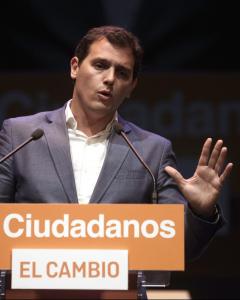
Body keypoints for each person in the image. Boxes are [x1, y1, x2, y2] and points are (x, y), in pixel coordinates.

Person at [0, 26, 233, 263]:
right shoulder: (22, 135)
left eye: (122, 73)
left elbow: (176, 249)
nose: (110, 78)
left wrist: (200, 211)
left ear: (132, 86)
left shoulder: (151, 151)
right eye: (100, 65)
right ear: (75, 67)